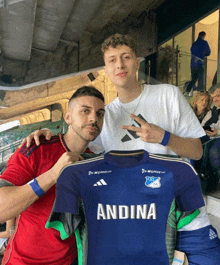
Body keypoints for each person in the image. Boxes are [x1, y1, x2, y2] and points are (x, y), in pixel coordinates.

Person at [23, 34, 220, 264]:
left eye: (126, 57)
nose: (120, 64)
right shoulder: (104, 115)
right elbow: (76, 143)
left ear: (137, 62)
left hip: (180, 207)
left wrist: (163, 137)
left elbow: (196, 151)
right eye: (112, 60)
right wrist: (48, 136)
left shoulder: (168, 95)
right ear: (105, 69)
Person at [0, 86, 105, 265]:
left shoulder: (95, 164)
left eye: (100, 113)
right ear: (68, 117)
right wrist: (53, 175)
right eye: (85, 111)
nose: (94, 118)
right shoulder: (36, 148)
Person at [194, 83, 220, 193]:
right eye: (213, 97)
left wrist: (217, 132)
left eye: (218, 96)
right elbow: (203, 124)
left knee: (212, 151)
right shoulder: (212, 111)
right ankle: (198, 177)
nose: (215, 99)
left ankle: (212, 180)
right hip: (210, 136)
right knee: (195, 145)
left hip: (217, 137)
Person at [184, 31, 211, 95]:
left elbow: (191, 51)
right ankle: (200, 94)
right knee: (200, 79)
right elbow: (208, 52)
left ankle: (187, 91)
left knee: (193, 79)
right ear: (204, 36)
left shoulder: (194, 44)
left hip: (193, 64)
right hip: (200, 64)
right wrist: (203, 54)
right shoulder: (204, 42)